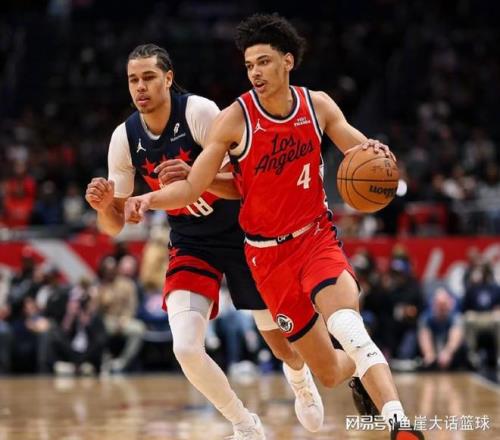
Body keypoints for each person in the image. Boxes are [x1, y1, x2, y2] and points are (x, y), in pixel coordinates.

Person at [124, 16, 426, 440]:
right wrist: (148, 199)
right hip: (267, 257)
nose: (256, 73)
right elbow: (194, 187)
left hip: (315, 238)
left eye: (264, 62)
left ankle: (400, 423)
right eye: (249, 66)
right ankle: (357, 372)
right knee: (329, 371)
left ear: (288, 61)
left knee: (348, 326)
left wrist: (378, 153)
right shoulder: (234, 119)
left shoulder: (317, 106)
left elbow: (360, 150)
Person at [85, 43, 323, 439]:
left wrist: (197, 176)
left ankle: (299, 378)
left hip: (245, 233)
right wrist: (105, 206)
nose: (140, 87)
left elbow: (247, 182)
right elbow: (114, 226)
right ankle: (244, 424)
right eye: (133, 80)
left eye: (148, 77)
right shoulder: (124, 137)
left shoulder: (199, 112)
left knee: (281, 344)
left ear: (168, 78)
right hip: (191, 241)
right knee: (185, 348)